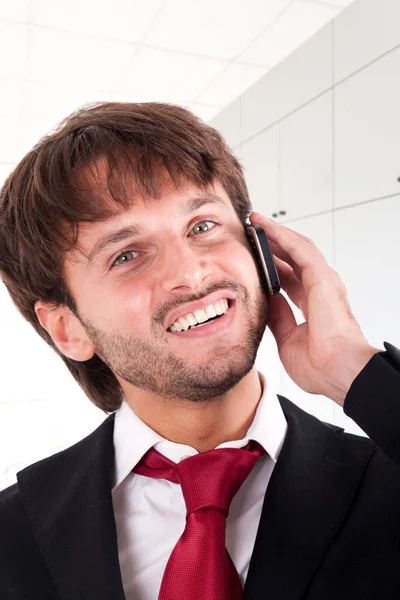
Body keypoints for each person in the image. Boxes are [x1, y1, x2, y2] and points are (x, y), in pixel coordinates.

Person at [0, 102, 399, 600]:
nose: (190, 273)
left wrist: (357, 374)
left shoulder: (387, 482)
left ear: (260, 249)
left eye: (203, 226)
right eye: (126, 255)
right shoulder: (12, 536)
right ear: (67, 327)